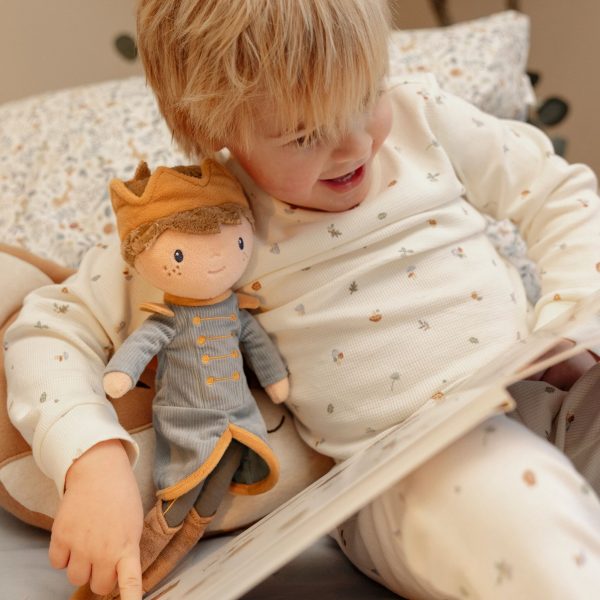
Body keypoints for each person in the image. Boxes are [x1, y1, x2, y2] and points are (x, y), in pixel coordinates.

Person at [4, 0, 600, 599]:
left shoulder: (423, 117)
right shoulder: (204, 224)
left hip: (544, 399)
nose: (355, 145)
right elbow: (50, 328)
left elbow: (559, 194)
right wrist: (91, 462)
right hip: (403, 475)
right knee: (518, 504)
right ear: (212, 127)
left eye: (367, 95)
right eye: (305, 135)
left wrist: (569, 323)